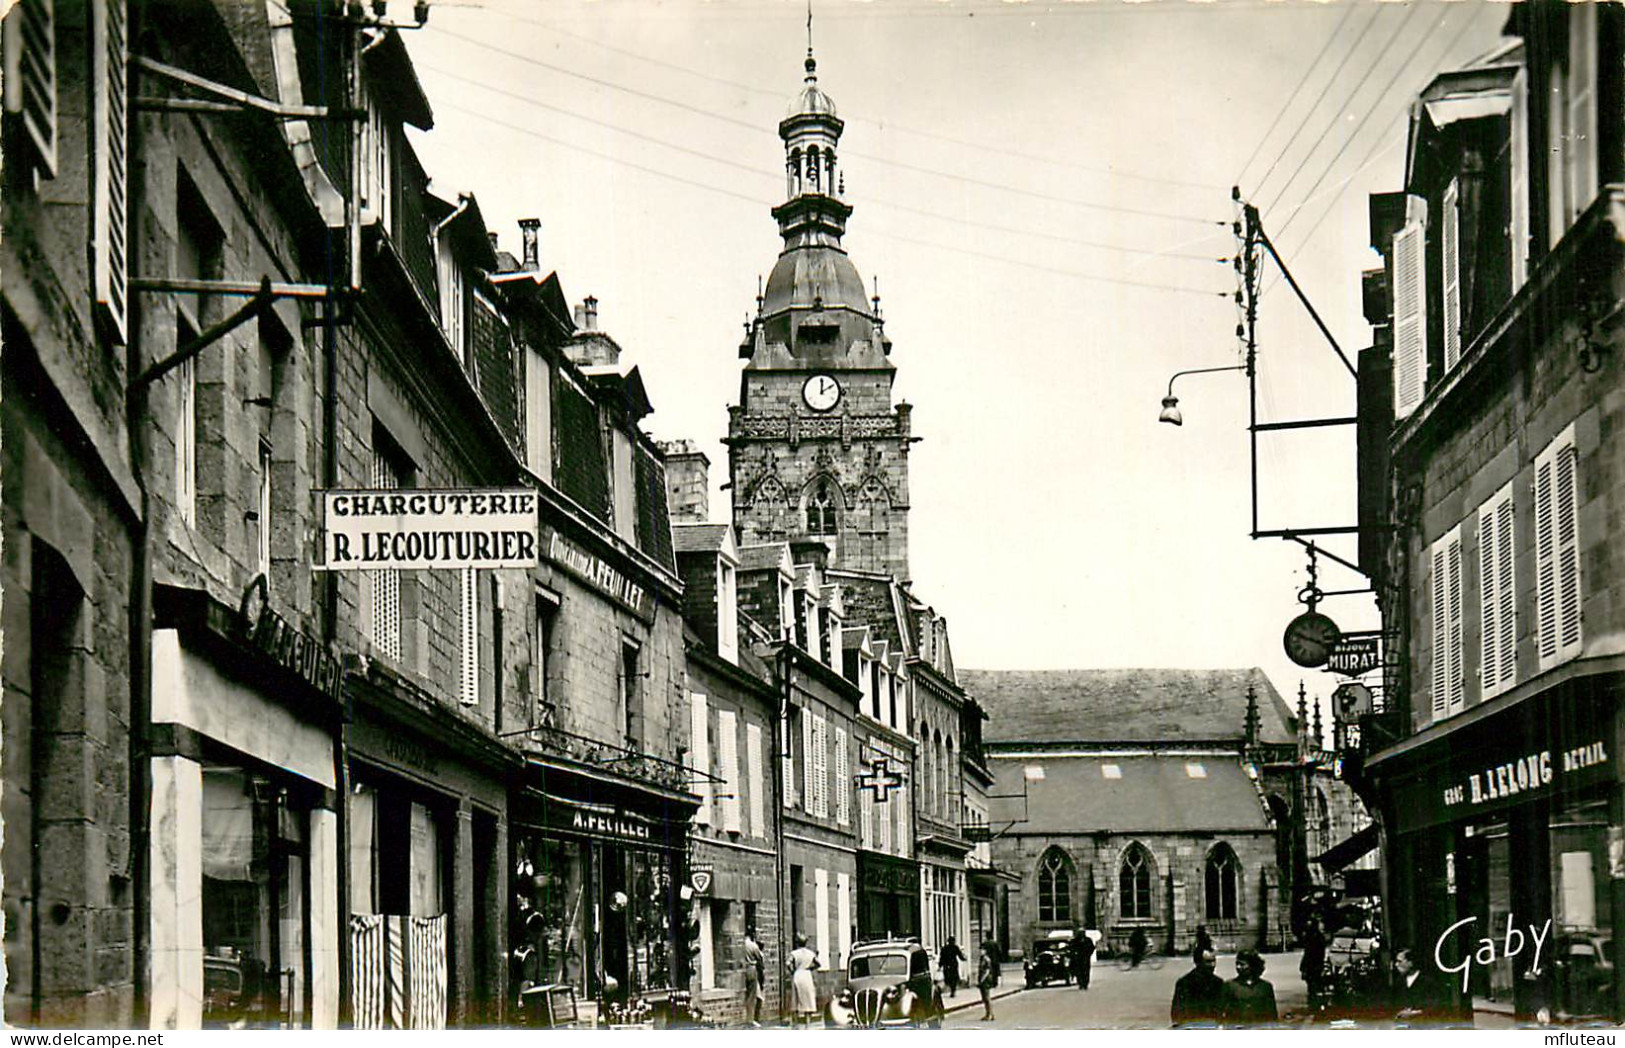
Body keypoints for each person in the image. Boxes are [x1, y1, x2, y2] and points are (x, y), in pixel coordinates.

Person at [1392, 948, 1452, 1026]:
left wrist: (1415, 1013)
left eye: (1399, 961)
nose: (1396, 964)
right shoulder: (1398, 983)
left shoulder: (1428, 982)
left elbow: (1437, 1007)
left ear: (1411, 963)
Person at [1221, 949, 1278, 1026]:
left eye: (1242, 964)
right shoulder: (1230, 985)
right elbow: (1222, 1012)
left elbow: (1272, 1014)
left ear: (1252, 965)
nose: (1238, 967)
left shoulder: (1265, 987)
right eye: (1237, 964)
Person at [1170, 948, 1226, 1026]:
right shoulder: (1184, 983)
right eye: (1208, 962)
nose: (1213, 965)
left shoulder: (1218, 983)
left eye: (1214, 961)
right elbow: (1177, 1012)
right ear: (1198, 963)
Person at [788, 934, 820, 1027]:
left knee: (796, 998)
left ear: (798, 943)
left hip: (798, 973)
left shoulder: (794, 953)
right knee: (808, 997)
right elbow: (818, 963)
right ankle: (808, 1023)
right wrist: (811, 968)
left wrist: (792, 970)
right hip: (807, 974)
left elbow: (787, 963)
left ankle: (795, 1022)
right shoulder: (810, 953)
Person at [1300, 916, 1328, 1012]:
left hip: (1313, 965)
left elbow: (1308, 953)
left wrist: (1303, 967)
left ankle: (1314, 1004)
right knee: (1314, 986)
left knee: (1313, 986)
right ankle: (1315, 1003)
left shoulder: (1312, 937)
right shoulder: (1318, 937)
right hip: (1315, 965)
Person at [742, 926, 766, 1027]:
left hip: (743, 969)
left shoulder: (741, 944)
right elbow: (760, 959)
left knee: (747, 994)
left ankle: (747, 1017)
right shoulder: (753, 945)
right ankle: (750, 1019)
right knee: (752, 996)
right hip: (751, 968)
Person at [976, 939, 1000, 1021]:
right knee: (984, 998)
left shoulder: (986, 959)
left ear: (985, 951)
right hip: (983, 979)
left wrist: (981, 980)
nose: (980, 951)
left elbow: (987, 971)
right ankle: (989, 1014)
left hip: (986, 980)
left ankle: (989, 1014)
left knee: (987, 997)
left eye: (982, 950)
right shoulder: (982, 958)